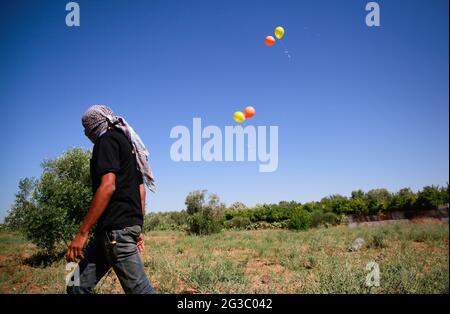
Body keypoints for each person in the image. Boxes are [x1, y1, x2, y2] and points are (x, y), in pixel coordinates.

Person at [66, 104, 156, 294]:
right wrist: (136, 226)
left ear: (94, 125)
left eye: (86, 127)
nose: (85, 133)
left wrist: (82, 233)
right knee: (76, 285)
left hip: (116, 233)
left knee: (141, 291)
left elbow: (107, 186)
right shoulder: (129, 146)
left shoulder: (106, 141)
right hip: (110, 233)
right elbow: (141, 191)